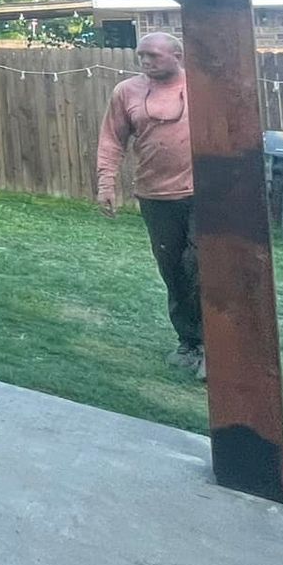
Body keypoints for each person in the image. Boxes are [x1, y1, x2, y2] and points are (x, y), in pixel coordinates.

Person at [95, 32, 204, 379]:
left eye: (153, 56)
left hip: (203, 195)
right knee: (172, 271)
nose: (145, 61)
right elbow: (112, 140)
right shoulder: (127, 92)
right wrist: (106, 183)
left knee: (200, 265)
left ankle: (214, 346)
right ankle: (189, 342)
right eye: (141, 55)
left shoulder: (202, 87)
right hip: (155, 196)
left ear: (177, 55)